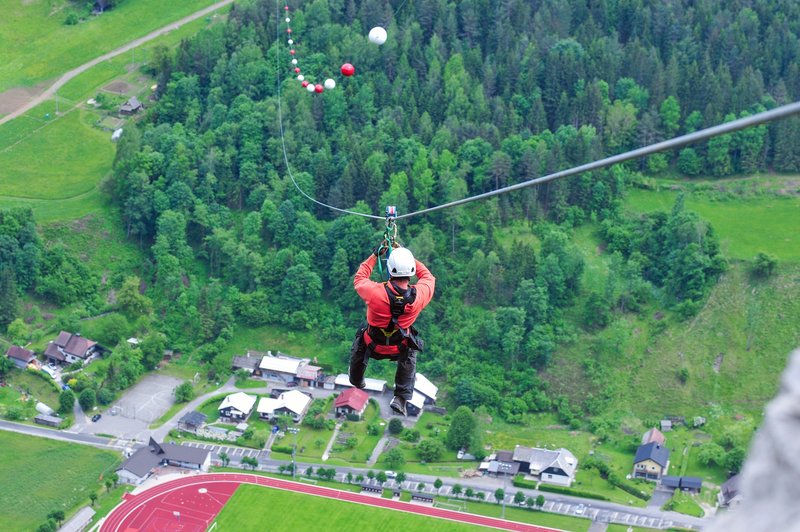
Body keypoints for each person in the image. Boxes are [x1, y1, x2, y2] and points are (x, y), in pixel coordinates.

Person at [349, 246, 436, 416]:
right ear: (410, 272)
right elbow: (428, 277)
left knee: (360, 341)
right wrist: (408, 257)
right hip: (400, 347)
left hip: (372, 344)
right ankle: (401, 397)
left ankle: (357, 379)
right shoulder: (419, 296)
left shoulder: (375, 293)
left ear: (390, 269)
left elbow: (360, 278)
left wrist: (374, 255)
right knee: (410, 354)